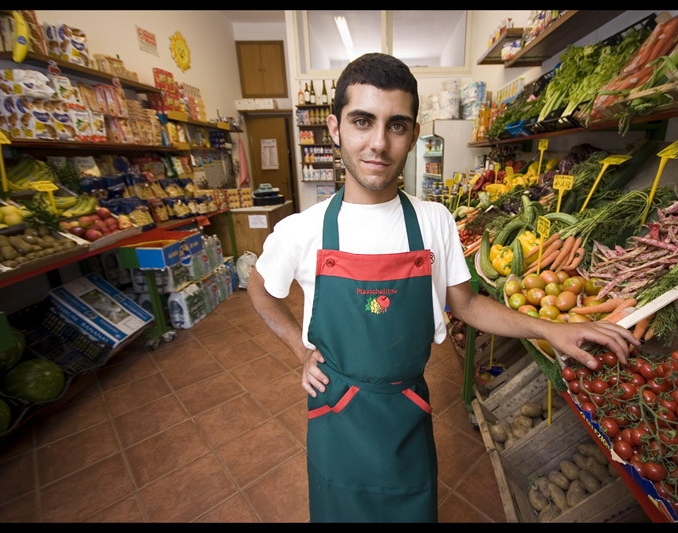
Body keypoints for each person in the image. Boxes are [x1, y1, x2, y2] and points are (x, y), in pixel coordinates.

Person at [247, 52, 639, 523]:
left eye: (396, 125)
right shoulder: (303, 230)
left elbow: (467, 304)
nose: (377, 143)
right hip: (336, 416)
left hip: (407, 413)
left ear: (413, 135)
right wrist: (298, 348)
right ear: (335, 129)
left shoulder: (434, 222)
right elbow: (259, 286)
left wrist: (550, 330)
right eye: (362, 121)